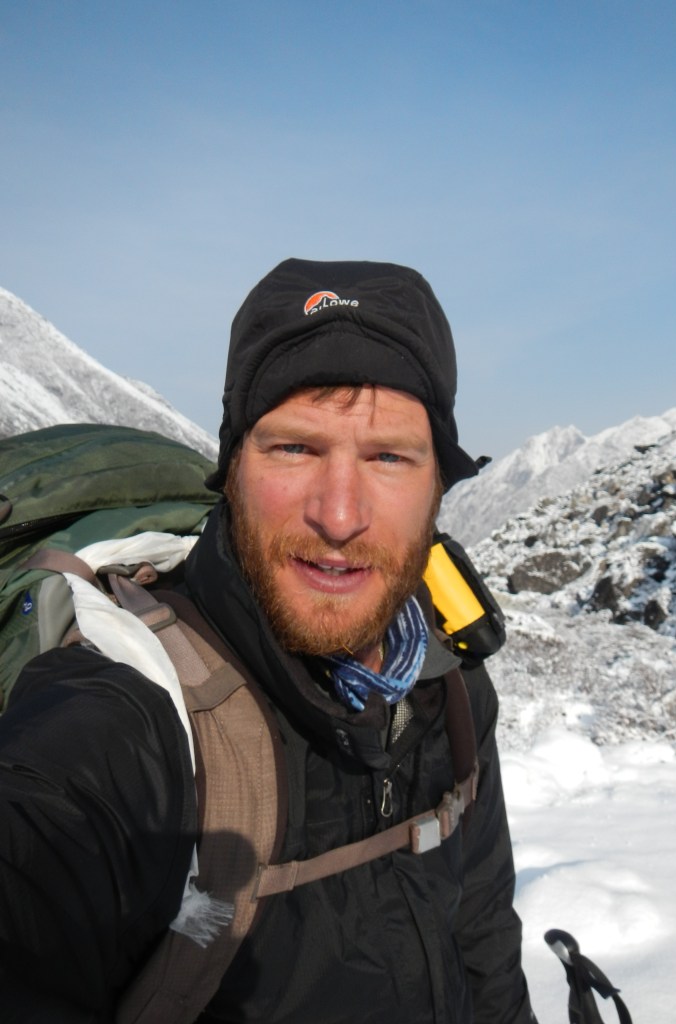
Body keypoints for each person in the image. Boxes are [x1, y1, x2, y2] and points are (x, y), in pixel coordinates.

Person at [0, 259, 536, 1022]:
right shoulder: (122, 723)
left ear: (438, 487)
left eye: (388, 456)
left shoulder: (449, 684)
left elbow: (484, 941)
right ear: (232, 470)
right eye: (294, 449)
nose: (340, 515)